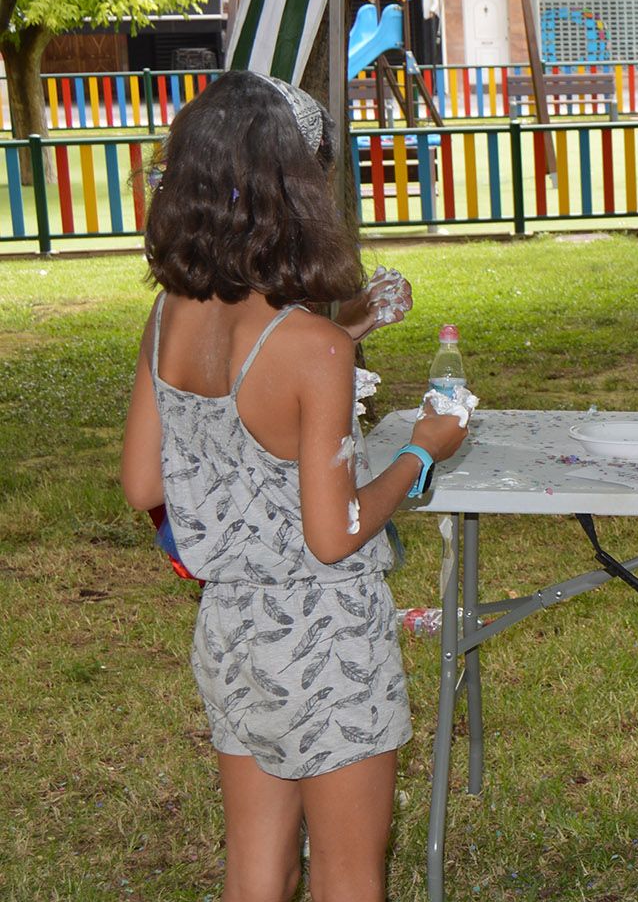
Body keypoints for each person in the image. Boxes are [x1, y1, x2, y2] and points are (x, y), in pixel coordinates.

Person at [117, 71, 468, 902]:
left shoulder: (170, 314)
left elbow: (141, 483)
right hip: (328, 643)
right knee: (349, 878)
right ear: (294, 189)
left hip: (234, 631)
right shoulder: (314, 350)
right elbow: (334, 529)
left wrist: (349, 325)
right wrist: (422, 451)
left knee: (254, 873)